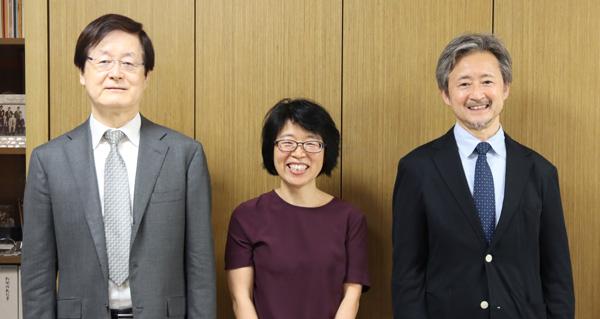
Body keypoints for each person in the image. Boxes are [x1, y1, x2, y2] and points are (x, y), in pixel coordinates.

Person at [21, 14, 216, 319]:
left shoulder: (184, 155)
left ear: (146, 76)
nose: (116, 73)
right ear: (82, 73)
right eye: (103, 61)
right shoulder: (49, 160)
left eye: (128, 63)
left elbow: (200, 264)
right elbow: (37, 273)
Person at [391, 33, 574, 319]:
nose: (477, 94)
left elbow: (557, 273)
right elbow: (407, 273)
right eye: (464, 84)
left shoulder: (540, 171)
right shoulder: (418, 169)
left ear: (505, 88)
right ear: (446, 94)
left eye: (487, 81)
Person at [225, 98, 370, 319]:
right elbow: (240, 299)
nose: (299, 154)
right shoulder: (246, 216)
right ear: (270, 149)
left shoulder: (350, 219)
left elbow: (352, 296)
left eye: (311, 143)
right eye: (287, 142)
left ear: (326, 150)